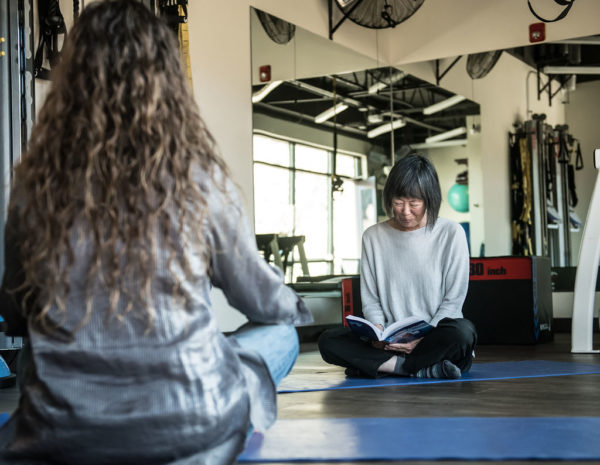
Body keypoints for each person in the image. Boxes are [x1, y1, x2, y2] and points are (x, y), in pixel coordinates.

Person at [0, 2, 311, 464]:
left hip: (63, 436)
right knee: (280, 334)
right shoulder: (200, 179)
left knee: (34, 356)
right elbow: (262, 302)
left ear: (73, 80)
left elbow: (16, 311)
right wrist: (296, 309)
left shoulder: (36, 183)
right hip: (190, 426)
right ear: (167, 82)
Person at [319, 154, 477, 379]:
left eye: (414, 203)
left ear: (430, 200)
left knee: (463, 333)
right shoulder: (373, 237)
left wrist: (422, 337)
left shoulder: (451, 234)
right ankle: (418, 369)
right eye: (398, 202)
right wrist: (378, 334)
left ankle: (383, 366)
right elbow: (371, 300)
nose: (405, 211)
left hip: (433, 338)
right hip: (388, 343)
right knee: (329, 340)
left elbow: (453, 301)